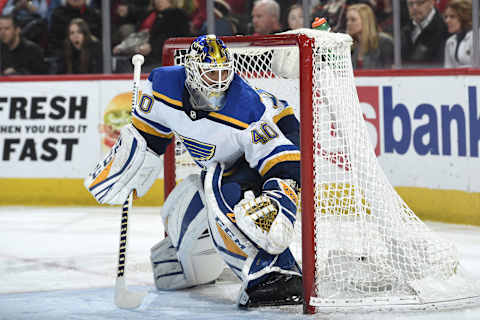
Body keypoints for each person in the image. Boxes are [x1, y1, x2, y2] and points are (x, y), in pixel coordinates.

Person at [84, 34, 303, 309]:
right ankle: (189, 263)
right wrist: (133, 158)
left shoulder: (247, 109)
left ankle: (274, 275)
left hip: (281, 137)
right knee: (183, 206)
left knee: (228, 197)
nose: (220, 82)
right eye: (212, 75)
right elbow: (150, 133)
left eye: (225, 73)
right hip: (225, 164)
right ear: (193, 72)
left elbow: (282, 161)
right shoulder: (163, 86)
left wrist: (279, 201)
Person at [400, 0, 448, 67]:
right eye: (410, 4)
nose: (414, 7)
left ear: (432, 2)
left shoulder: (445, 29)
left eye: (420, 3)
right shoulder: (404, 30)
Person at [346, 3, 393, 69]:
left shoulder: (384, 42)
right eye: (347, 20)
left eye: (353, 20)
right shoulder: (349, 46)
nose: (348, 23)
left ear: (365, 21)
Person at [443, 0, 475, 68]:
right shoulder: (449, 42)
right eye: (446, 17)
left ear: (464, 17)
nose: (447, 21)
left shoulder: (476, 38)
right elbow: (447, 70)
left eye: (452, 16)